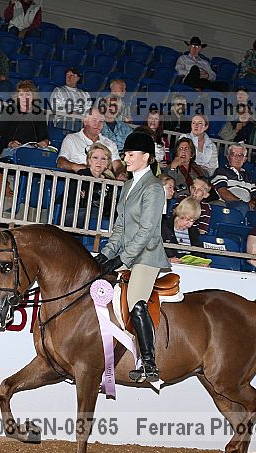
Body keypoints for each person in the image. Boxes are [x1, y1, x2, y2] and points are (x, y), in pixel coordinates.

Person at [94, 131, 170, 383]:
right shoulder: (127, 186)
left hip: (147, 256)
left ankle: (149, 363)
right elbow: (119, 228)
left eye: (130, 154)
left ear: (146, 157)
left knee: (136, 301)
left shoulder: (154, 187)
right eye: (125, 154)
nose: (125, 159)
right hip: (127, 254)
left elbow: (147, 231)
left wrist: (123, 259)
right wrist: (105, 255)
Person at [63, 142, 122, 227]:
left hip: (98, 217)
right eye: (95, 158)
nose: (99, 162)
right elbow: (70, 202)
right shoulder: (80, 176)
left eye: (103, 159)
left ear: (108, 163)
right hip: (73, 214)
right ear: (89, 161)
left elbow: (112, 208)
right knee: (94, 212)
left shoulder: (110, 182)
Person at [57, 107, 123, 177]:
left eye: (101, 122)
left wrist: (120, 173)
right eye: (94, 120)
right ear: (85, 122)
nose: (97, 125)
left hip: (102, 180)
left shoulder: (110, 143)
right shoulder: (72, 139)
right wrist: (80, 168)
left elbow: (117, 165)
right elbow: (61, 163)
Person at [0, 80, 49, 160]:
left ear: (33, 96)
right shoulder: (9, 111)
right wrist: (10, 143)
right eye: (21, 94)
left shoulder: (40, 114)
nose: (24, 98)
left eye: (28, 95)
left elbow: (44, 136)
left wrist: (45, 141)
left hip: (32, 150)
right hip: (11, 149)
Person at [211, 143, 256, 214]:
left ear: (245, 159)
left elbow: (255, 195)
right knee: (242, 207)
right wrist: (241, 202)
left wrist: (253, 202)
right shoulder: (221, 171)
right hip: (228, 204)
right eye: (233, 154)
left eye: (240, 155)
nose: (237, 158)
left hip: (246, 206)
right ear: (228, 157)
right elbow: (222, 192)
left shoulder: (248, 176)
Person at [161, 197, 203, 262]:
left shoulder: (193, 231)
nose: (190, 224)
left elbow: (199, 252)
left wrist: (202, 262)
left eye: (193, 221)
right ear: (180, 214)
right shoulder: (164, 227)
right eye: (187, 219)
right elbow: (156, 252)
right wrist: (167, 260)